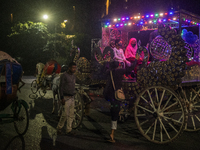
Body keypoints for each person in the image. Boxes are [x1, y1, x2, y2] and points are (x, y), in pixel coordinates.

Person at [103, 53, 139, 143]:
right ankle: (112, 134)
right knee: (115, 113)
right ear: (118, 65)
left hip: (110, 96)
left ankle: (112, 131)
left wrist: (107, 62)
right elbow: (130, 69)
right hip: (116, 96)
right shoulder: (120, 71)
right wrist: (136, 61)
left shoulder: (109, 72)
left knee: (114, 112)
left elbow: (105, 69)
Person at [57, 62, 77, 135]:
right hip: (65, 97)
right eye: (73, 68)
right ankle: (59, 128)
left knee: (71, 115)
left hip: (72, 97)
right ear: (69, 67)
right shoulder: (64, 75)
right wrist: (61, 97)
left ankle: (69, 130)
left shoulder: (74, 76)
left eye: (75, 68)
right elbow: (61, 87)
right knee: (64, 114)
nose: (74, 69)